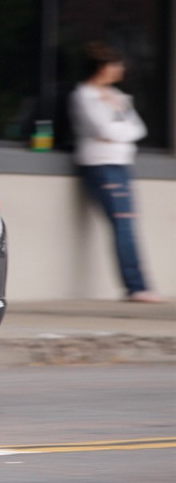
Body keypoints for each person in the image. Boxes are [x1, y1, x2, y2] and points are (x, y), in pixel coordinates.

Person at [69, 42, 163, 302]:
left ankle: (139, 285)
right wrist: (120, 131)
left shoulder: (118, 97)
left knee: (127, 224)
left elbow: (138, 129)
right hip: (101, 166)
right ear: (103, 67)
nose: (120, 69)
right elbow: (104, 131)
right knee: (122, 224)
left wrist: (118, 127)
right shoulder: (85, 95)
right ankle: (136, 287)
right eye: (116, 64)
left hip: (120, 165)